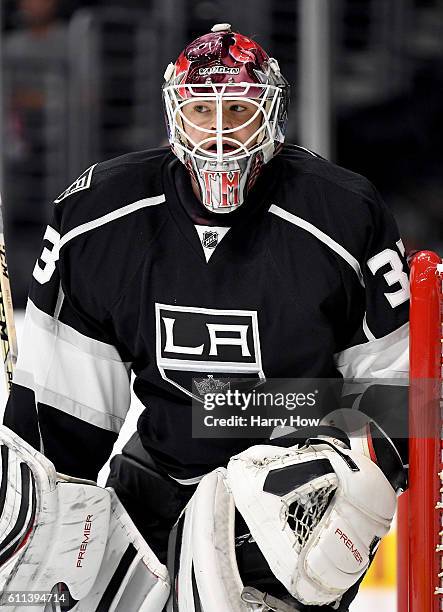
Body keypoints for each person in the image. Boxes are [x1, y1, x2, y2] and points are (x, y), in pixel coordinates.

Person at [3, 23, 409, 611]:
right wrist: (34, 508)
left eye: (238, 111)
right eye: (201, 112)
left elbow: (397, 399)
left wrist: (332, 474)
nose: (218, 135)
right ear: (176, 115)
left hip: (292, 508)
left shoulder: (343, 215)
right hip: (157, 478)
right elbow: (59, 417)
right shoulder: (99, 219)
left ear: (269, 116)